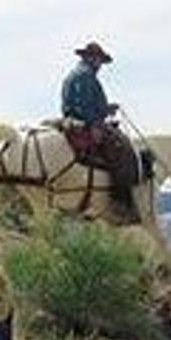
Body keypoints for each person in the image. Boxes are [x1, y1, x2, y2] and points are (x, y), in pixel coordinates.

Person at [59, 40, 139, 224]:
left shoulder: (72, 76)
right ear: (90, 58)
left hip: (71, 120)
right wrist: (104, 112)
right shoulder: (87, 76)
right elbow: (86, 107)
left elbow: (72, 105)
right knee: (122, 150)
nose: (100, 65)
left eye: (101, 61)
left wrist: (105, 108)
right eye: (98, 60)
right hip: (85, 123)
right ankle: (120, 202)